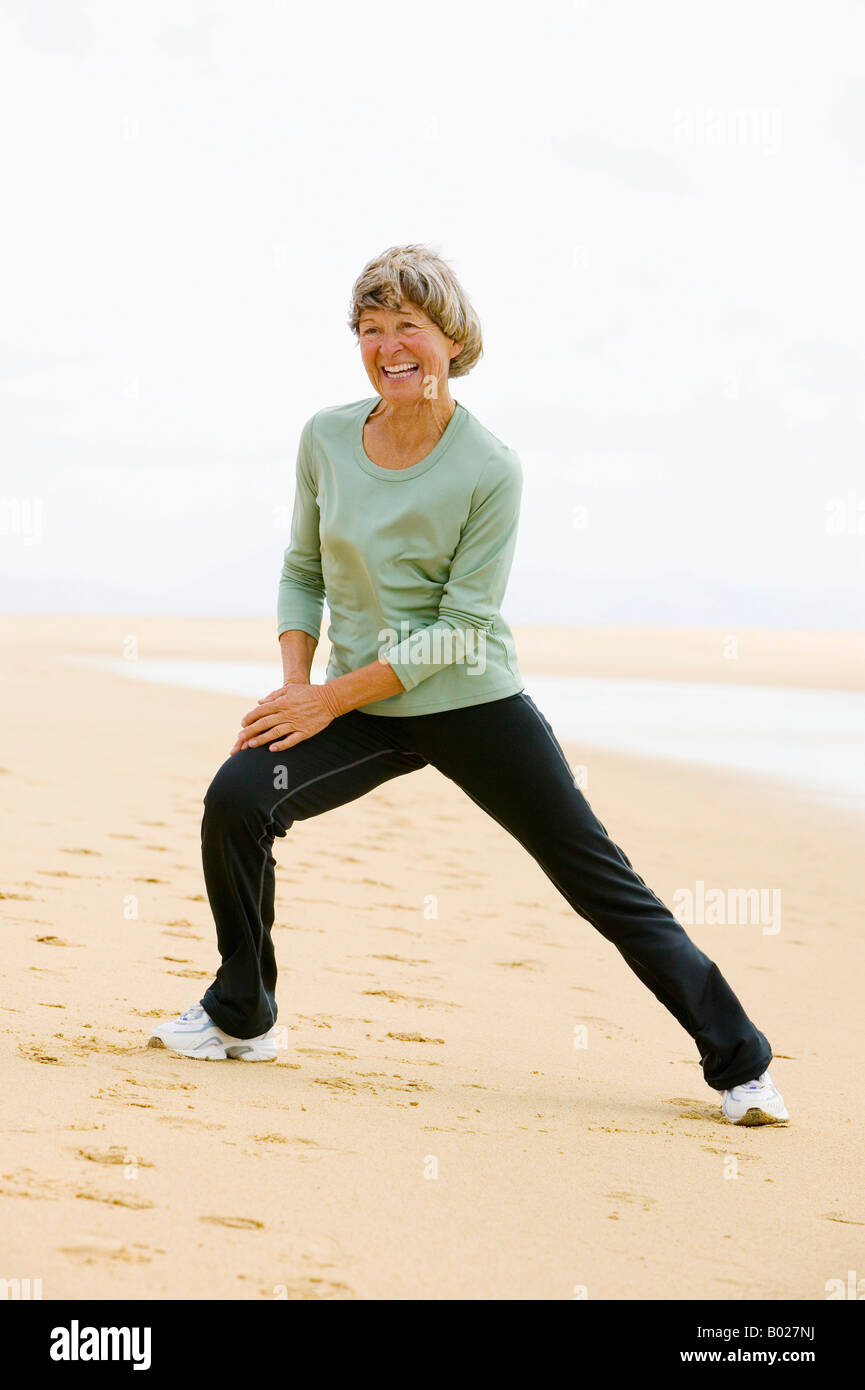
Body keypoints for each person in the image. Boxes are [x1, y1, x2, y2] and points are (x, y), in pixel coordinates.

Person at [149, 243, 788, 1127]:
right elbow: (302, 567)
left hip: (472, 703)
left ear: (449, 337)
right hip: (360, 705)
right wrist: (297, 689)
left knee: (598, 879)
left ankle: (741, 1065)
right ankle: (243, 1012)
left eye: (406, 326)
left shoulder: (490, 465)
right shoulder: (326, 436)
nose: (388, 347)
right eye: (369, 330)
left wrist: (327, 698)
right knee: (239, 798)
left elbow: (464, 626)